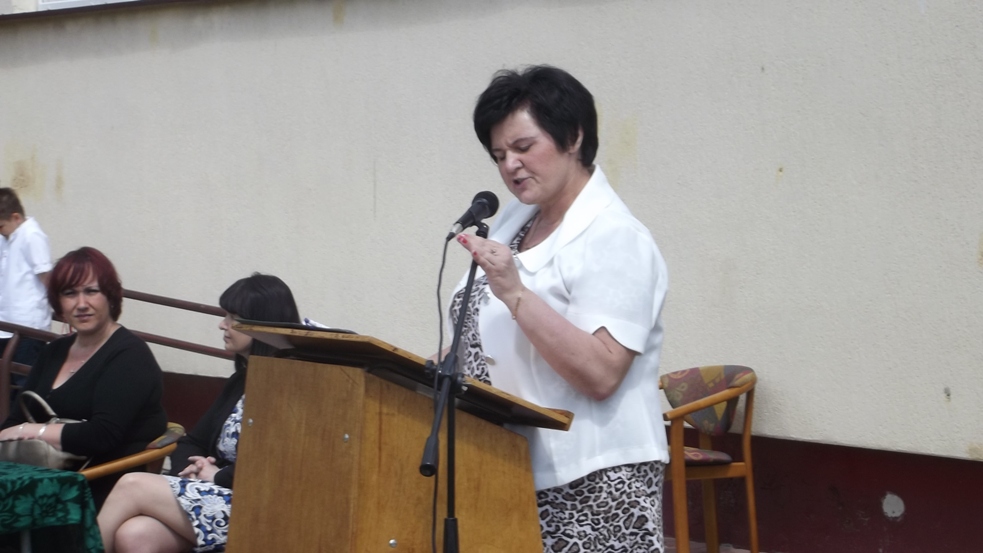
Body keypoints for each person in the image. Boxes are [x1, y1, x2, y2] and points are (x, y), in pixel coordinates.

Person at [448, 65, 670, 552]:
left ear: (573, 136)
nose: (510, 166)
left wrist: (516, 295)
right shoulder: (515, 222)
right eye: (499, 155)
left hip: (592, 482)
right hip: (507, 466)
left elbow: (601, 372)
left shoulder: (615, 237)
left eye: (523, 147)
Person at [97, 273, 301, 553]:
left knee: (131, 484)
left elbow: (274, 468)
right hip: (217, 497)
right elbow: (192, 441)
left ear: (263, 325)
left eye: (233, 318)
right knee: (135, 535)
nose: (222, 324)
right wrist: (193, 469)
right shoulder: (240, 382)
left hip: (256, 508)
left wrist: (216, 476)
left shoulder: (290, 391)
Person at [0, 246, 167, 507]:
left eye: (91, 291)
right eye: (70, 293)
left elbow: (101, 435)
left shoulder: (130, 355)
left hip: (98, 485)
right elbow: (14, 420)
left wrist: (33, 430)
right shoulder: (54, 351)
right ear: (59, 302)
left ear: (110, 296)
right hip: (42, 478)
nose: (81, 304)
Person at [0, 187, 52, 393]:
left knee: (25, 384)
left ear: (16, 217)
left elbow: (46, 276)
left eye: (1, 226)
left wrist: (61, 306)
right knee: (6, 384)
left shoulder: (32, 235)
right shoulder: (6, 238)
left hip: (28, 327)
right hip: (6, 324)